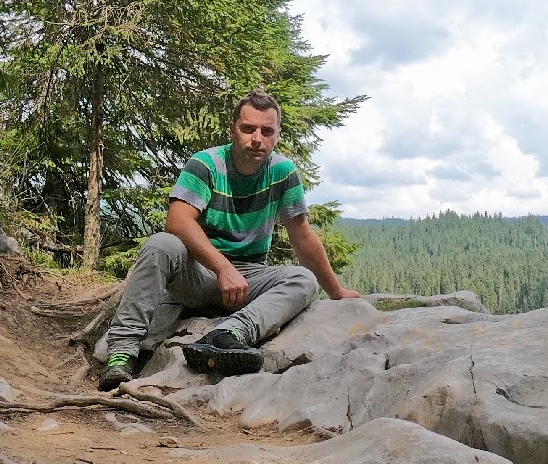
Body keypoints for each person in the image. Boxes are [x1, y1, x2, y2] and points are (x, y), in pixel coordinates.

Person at [98, 89, 361, 391]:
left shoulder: (283, 172)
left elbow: (301, 233)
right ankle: (121, 353)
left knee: (302, 279)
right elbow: (178, 220)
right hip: (197, 273)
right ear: (233, 129)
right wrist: (223, 268)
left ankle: (228, 336)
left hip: (248, 280)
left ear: (277, 135)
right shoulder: (206, 164)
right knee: (161, 244)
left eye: (267, 131)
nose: (257, 138)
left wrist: (337, 291)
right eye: (248, 128)